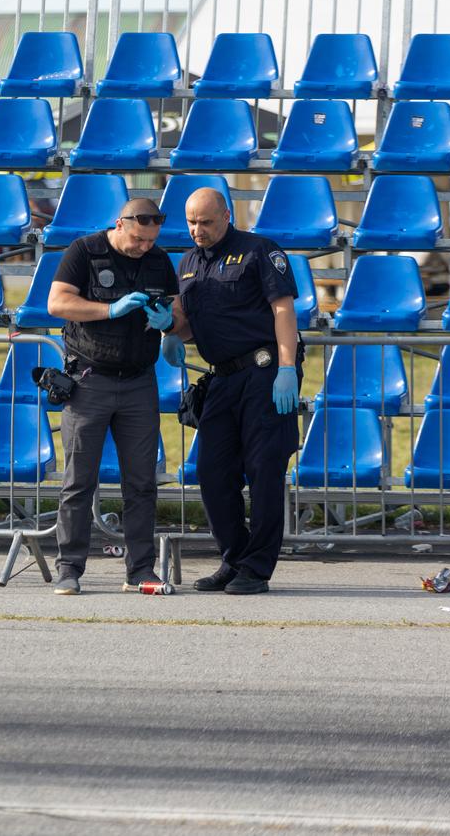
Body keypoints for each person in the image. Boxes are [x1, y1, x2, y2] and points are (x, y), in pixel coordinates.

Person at [163, 187, 302, 595]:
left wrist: (287, 368)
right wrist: (170, 331)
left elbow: (282, 310)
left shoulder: (259, 251)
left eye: (206, 222)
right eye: (191, 222)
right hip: (222, 377)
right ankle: (234, 558)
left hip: (264, 372)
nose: (197, 230)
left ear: (226, 215)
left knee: (263, 470)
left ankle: (257, 568)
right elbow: (189, 323)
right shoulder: (188, 263)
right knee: (211, 470)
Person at [45, 197, 180, 596]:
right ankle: (70, 567)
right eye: (138, 239)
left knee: (142, 483)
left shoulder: (159, 260)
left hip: (139, 381)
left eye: (151, 240)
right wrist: (109, 309)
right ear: (119, 224)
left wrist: (169, 324)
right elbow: (57, 303)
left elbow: (175, 310)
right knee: (79, 481)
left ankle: (140, 569)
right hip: (90, 379)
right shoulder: (84, 251)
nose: (144, 247)